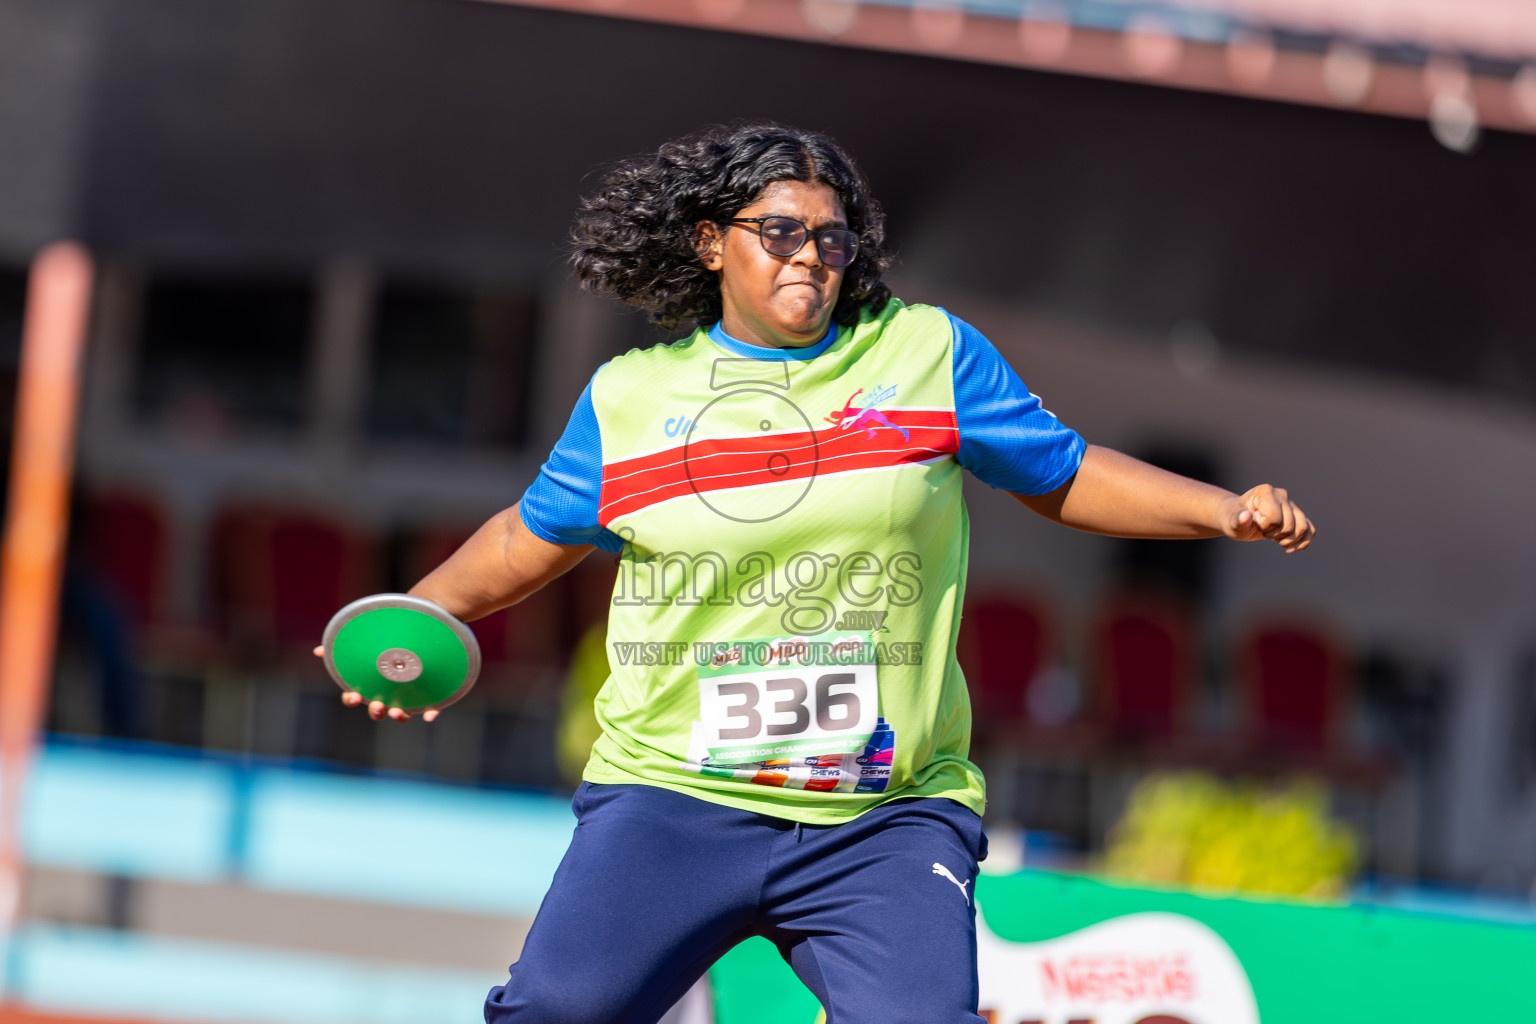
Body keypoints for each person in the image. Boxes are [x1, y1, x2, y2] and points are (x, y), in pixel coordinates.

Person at [330, 123, 1313, 1023]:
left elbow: (1062, 470)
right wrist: (410, 627)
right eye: (781, 231)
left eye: (833, 239)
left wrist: (1218, 510)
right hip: (675, 798)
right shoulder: (631, 397)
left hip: (881, 815)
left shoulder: (926, 355)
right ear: (713, 242)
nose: (812, 254)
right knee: (555, 1014)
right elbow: (523, 541)